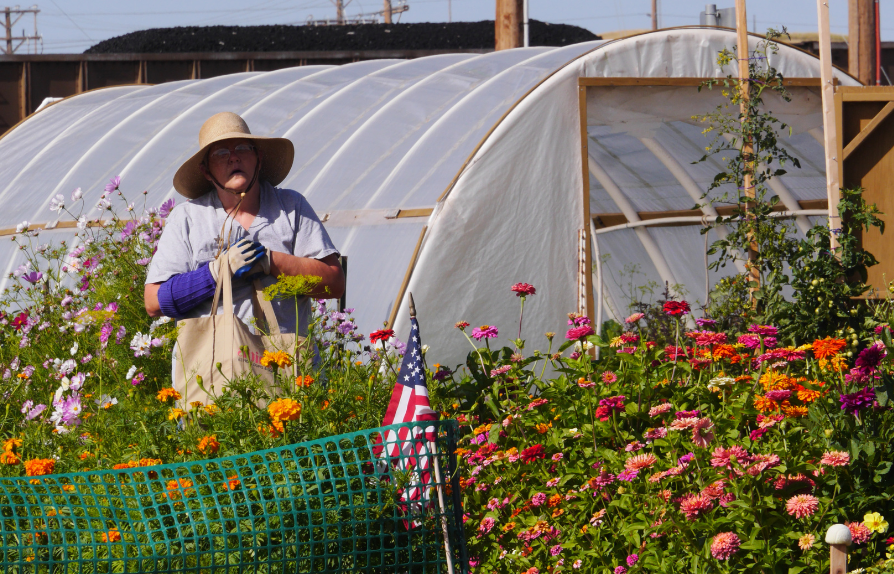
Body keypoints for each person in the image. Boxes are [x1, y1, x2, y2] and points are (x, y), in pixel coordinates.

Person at [143, 112, 345, 337]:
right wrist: (215, 272)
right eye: (221, 153)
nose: (233, 158)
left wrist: (271, 261)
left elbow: (334, 282)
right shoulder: (187, 218)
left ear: (258, 157)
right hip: (215, 367)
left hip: (287, 365)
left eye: (242, 148)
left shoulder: (290, 206)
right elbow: (153, 302)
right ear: (206, 171)